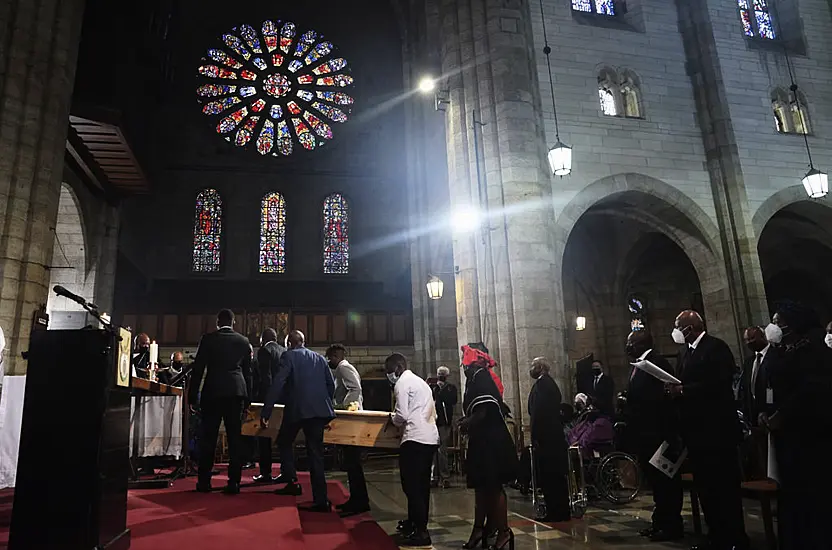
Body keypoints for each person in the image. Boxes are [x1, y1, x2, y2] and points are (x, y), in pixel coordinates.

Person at [667, 310, 748, 550]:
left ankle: (735, 539)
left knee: (725, 488)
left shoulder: (715, 348)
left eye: (678, 326)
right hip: (696, 433)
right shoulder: (685, 353)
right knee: (707, 490)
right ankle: (716, 536)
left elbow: (721, 384)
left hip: (718, 431)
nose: (676, 332)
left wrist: (685, 391)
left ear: (689, 328)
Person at [761, 302, 832, 549]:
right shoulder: (787, 349)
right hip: (790, 436)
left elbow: (812, 390)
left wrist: (783, 413)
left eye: (777, 321)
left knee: (813, 497)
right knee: (793, 496)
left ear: (794, 323)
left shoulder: (816, 349)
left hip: (810, 436)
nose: (773, 326)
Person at [261, 330, 334, 512]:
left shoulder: (288, 356)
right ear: (304, 341)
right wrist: (325, 408)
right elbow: (330, 384)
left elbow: (278, 382)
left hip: (297, 409)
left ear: (289, 344)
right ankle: (321, 500)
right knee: (315, 453)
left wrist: (267, 410)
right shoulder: (318, 358)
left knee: (284, 442)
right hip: (318, 411)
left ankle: (292, 482)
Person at [625, 329, 683, 542]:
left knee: (666, 483)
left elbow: (665, 396)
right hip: (645, 434)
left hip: (659, 433)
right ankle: (660, 522)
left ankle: (672, 526)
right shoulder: (641, 364)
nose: (627, 347)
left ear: (641, 343)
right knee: (656, 484)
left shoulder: (656, 362)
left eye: (630, 343)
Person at [188, 309, 252, 495]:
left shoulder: (208, 339)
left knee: (208, 438)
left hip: (213, 391)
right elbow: (248, 374)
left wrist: (193, 396)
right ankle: (234, 483)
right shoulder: (243, 341)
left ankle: (204, 482)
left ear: (218, 322)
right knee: (235, 438)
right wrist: (247, 401)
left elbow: (198, 369)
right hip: (236, 392)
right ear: (234, 322)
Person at [458, 347, 517, 550]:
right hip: (482, 439)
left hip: (491, 441)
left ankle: (504, 532)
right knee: (481, 488)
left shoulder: (481, 377)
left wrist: (467, 422)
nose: (463, 366)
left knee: (493, 487)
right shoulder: (475, 378)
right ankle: (479, 530)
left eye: (465, 362)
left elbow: (484, 410)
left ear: (474, 362)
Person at [385, 353, 439, 548]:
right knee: (421, 486)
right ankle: (414, 524)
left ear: (398, 367)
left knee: (411, 486)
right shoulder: (421, 383)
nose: (389, 375)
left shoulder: (402, 383)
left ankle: (422, 532)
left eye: (389, 371)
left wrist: (391, 418)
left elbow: (402, 415)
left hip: (414, 438)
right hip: (430, 437)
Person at [326, 343, 370, 517]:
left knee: (353, 462)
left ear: (337, 356)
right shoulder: (341, 369)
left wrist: (342, 407)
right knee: (351, 463)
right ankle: (356, 499)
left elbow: (356, 389)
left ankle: (360, 501)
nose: (329, 361)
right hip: (349, 416)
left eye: (330, 358)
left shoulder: (344, 368)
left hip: (351, 417)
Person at [528, 356, 570, 523]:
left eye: (533, 365)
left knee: (552, 475)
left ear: (541, 367)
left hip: (548, 437)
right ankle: (557, 510)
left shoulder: (544, 384)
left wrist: (536, 435)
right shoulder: (544, 383)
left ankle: (558, 511)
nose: (531, 368)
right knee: (550, 475)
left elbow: (540, 412)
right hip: (549, 435)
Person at [737, 326, 776, 479]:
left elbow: (771, 386)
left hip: (770, 414)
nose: (749, 343)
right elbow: (746, 388)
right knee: (760, 456)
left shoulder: (775, 356)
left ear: (762, 337)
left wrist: (766, 409)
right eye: (746, 340)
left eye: (752, 339)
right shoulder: (749, 361)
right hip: (753, 417)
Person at [252, 328, 284, 483]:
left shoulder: (264, 351)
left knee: (264, 437)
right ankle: (285, 471)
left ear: (263, 339)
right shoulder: (284, 350)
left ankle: (265, 473)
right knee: (284, 436)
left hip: (268, 398)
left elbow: (266, 378)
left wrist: (267, 403)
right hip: (284, 399)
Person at [432, 365, 457, 489]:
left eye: (443, 374)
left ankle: (445, 477)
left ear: (447, 376)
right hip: (433, 422)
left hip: (444, 422)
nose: (441, 376)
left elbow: (452, 400)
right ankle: (435, 476)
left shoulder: (451, 388)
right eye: (439, 373)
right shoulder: (433, 388)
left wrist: (442, 391)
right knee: (434, 450)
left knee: (442, 450)